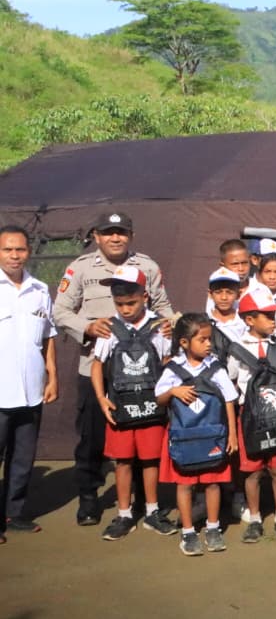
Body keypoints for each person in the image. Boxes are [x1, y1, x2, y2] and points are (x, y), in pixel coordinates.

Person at [53, 210, 175, 526]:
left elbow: (163, 307)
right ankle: (89, 499)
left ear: (131, 236)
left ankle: (143, 501)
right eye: (108, 232)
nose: (115, 238)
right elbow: (61, 311)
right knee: (93, 438)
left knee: (143, 432)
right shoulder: (80, 268)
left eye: (121, 232)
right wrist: (88, 327)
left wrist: (168, 326)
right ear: (96, 236)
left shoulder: (147, 267)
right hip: (97, 367)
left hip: (142, 373)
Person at [89, 266, 177, 541]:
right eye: (119, 303)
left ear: (144, 297)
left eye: (131, 302)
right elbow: (97, 365)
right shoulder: (109, 328)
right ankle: (124, 514)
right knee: (123, 461)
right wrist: (102, 399)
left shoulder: (160, 327)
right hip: (120, 408)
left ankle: (152, 511)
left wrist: (168, 396)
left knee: (150, 460)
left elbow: (167, 363)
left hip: (152, 407)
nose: (125, 309)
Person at [155, 314, 237, 556]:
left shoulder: (216, 368)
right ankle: (188, 532)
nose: (209, 344)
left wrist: (232, 434)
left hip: (213, 436)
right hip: (184, 438)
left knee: (212, 483)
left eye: (210, 339)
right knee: (184, 484)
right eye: (202, 340)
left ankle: (213, 528)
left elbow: (229, 400)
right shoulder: (173, 368)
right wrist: (173, 391)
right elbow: (159, 398)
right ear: (184, 342)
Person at [0, 226, 58, 542]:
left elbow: (48, 336)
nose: (14, 255)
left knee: (23, 457)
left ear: (28, 252)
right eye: (8, 249)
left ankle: (14, 513)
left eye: (20, 249)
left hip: (31, 390)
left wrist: (52, 376)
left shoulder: (40, 289)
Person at [224, 288, 276, 543]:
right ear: (250, 320)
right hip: (250, 418)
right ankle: (254, 519)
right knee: (252, 472)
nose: (274, 321)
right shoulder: (237, 349)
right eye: (268, 316)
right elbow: (231, 382)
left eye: (274, 315)